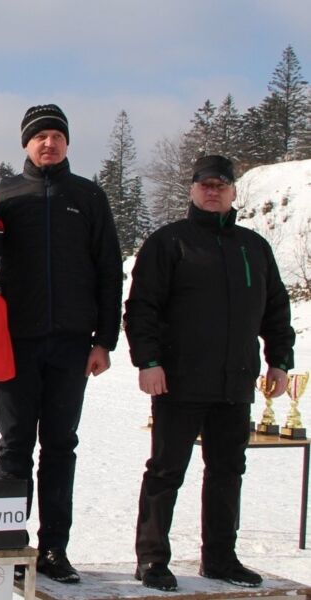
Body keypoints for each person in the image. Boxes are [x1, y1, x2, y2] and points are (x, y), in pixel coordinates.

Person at [125, 155, 294, 592]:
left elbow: (275, 309)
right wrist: (148, 361)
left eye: (221, 184)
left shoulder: (253, 248)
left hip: (235, 381)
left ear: (234, 191)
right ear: (193, 190)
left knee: (227, 471)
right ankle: (151, 559)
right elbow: (141, 307)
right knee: (166, 471)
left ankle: (220, 558)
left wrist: (280, 360)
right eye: (205, 184)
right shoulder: (169, 242)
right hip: (178, 380)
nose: (212, 191)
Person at [0, 104, 123, 583]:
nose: (49, 143)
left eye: (56, 136)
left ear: (67, 143)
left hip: (70, 344)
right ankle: (11, 545)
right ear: (26, 143)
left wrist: (104, 339)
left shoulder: (87, 197)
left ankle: (54, 549)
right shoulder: (3, 197)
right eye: (40, 136)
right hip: (15, 341)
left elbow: (109, 271)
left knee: (60, 445)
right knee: (15, 445)